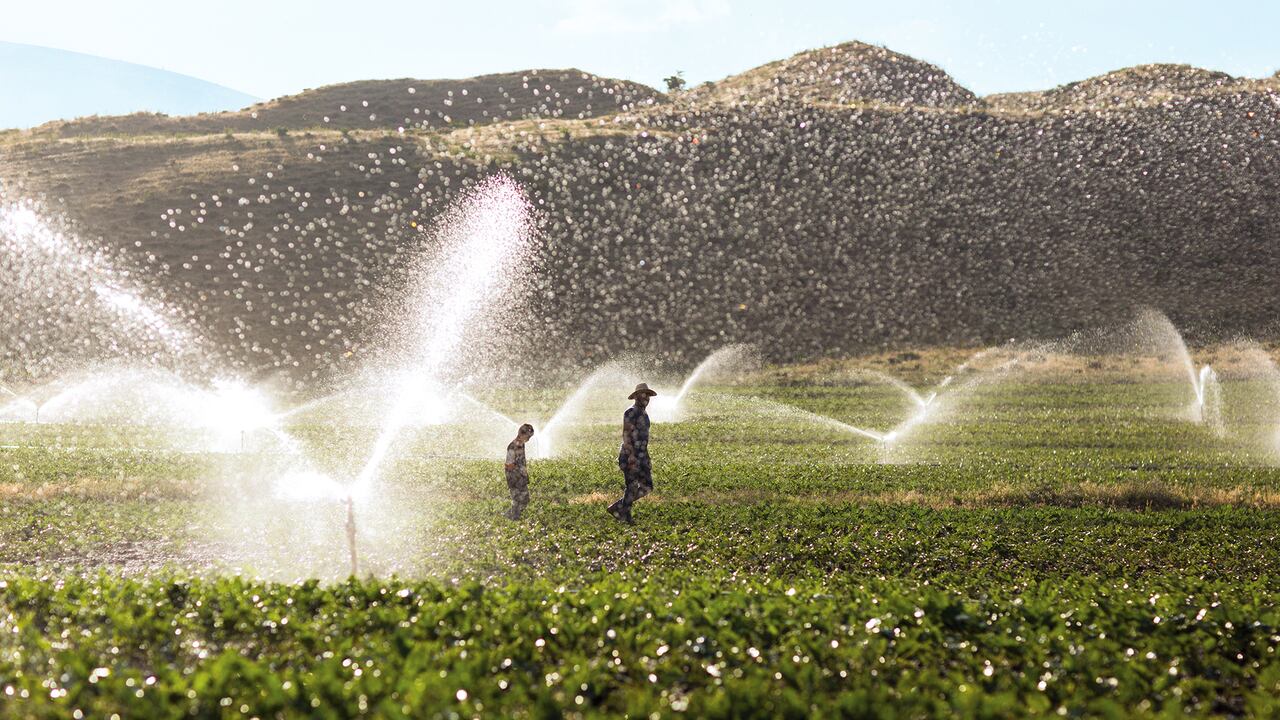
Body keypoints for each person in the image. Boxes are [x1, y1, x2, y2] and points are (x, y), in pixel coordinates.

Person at [608, 383, 656, 524]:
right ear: (636, 397)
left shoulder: (644, 414)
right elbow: (627, 436)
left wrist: (646, 457)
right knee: (632, 486)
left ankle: (618, 507)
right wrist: (631, 457)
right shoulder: (630, 412)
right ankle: (625, 515)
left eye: (648, 395)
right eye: (643, 394)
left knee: (647, 486)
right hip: (630, 455)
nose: (646, 398)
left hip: (641, 456)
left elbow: (643, 439)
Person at [504, 423, 535, 520]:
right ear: (521, 434)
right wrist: (518, 474)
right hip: (514, 478)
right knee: (517, 500)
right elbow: (509, 465)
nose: (529, 439)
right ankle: (512, 519)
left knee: (525, 499)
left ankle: (510, 516)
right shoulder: (512, 447)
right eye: (528, 436)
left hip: (521, 478)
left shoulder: (521, 445)